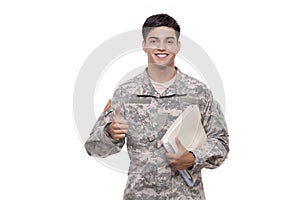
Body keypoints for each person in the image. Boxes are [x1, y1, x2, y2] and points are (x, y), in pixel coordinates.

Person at [85, 13, 229, 200]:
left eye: (169, 41)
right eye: (154, 40)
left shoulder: (199, 93)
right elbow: (94, 148)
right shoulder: (126, 93)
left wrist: (193, 158)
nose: (161, 47)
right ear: (144, 45)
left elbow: (221, 143)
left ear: (178, 46)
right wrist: (110, 133)